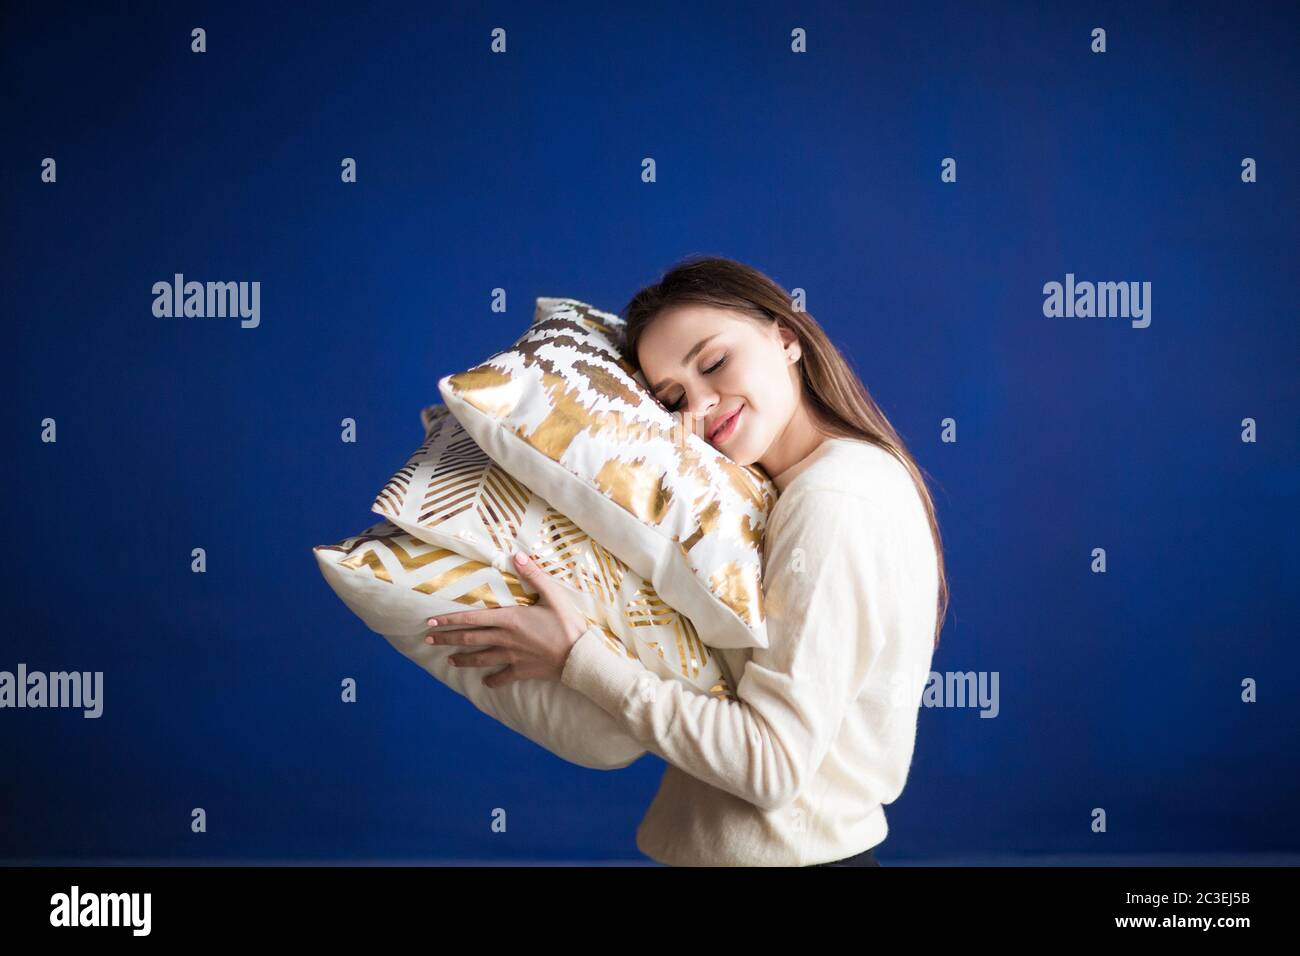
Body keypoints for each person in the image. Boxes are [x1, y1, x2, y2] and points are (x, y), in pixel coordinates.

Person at [424, 255, 949, 866]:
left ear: (785, 338)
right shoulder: (794, 489)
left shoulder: (832, 500)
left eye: (715, 362)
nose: (700, 405)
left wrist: (577, 658)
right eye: (672, 399)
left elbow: (771, 763)